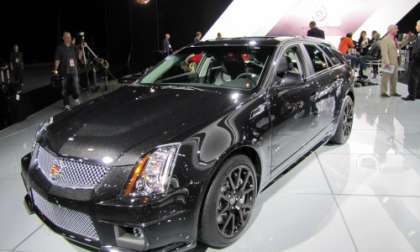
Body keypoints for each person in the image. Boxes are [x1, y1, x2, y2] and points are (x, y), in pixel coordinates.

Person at [380, 25, 411, 97]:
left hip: (395, 61)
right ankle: (383, 92)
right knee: (385, 78)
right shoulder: (385, 39)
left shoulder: (394, 39)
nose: (397, 30)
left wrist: (407, 39)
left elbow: (399, 46)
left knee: (394, 78)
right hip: (388, 62)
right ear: (391, 30)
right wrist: (387, 62)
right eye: (396, 29)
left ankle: (393, 92)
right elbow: (384, 52)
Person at [53, 32, 82, 110]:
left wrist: (81, 49)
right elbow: (57, 59)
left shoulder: (74, 47)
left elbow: (79, 57)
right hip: (64, 71)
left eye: (69, 37)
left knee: (75, 86)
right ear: (63, 38)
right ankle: (66, 104)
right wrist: (55, 69)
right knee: (64, 88)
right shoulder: (60, 48)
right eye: (66, 37)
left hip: (74, 71)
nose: (68, 38)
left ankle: (76, 98)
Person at [403, 20, 420, 101]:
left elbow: (417, 49)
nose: (416, 27)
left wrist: (414, 57)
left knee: (412, 78)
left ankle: (411, 95)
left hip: (417, 60)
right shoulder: (418, 36)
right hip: (417, 60)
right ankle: (417, 94)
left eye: (417, 25)